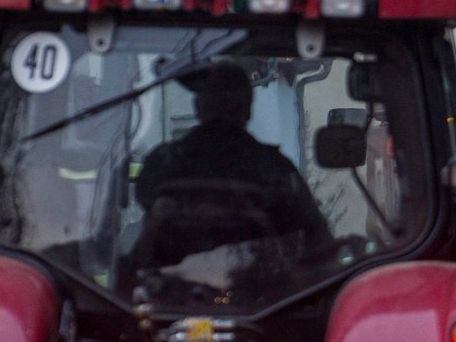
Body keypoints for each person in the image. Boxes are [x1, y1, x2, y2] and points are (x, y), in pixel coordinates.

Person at [132, 62, 329, 268]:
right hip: (264, 293)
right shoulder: (275, 169)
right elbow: (317, 241)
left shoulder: (163, 162)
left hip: (166, 291)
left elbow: (144, 201)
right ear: (247, 110)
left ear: (198, 106)